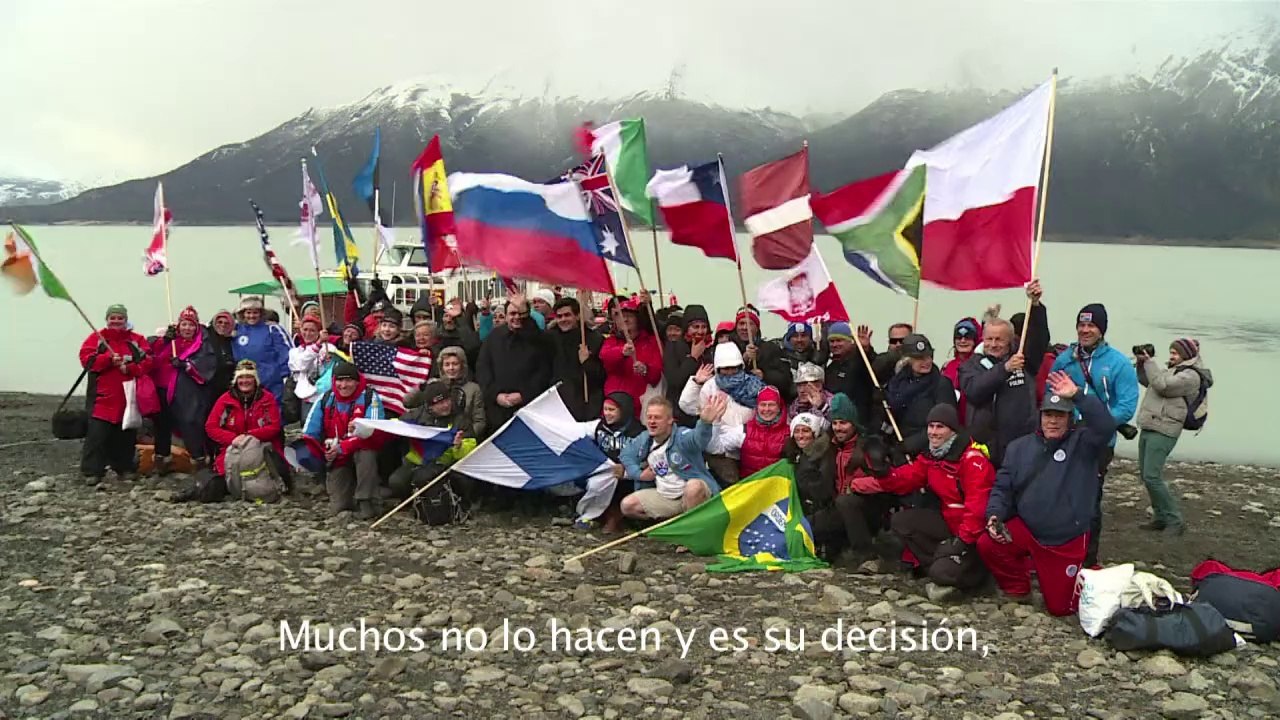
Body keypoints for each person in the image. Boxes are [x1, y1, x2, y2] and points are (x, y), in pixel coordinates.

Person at [979, 372, 1117, 615]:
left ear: (1070, 419)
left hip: (1064, 539)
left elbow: (1105, 425)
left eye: (1060, 416)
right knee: (989, 543)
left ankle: (1091, 579)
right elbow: (1003, 486)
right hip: (1028, 529)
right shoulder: (1019, 447)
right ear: (1040, 417)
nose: (1053, 421)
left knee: (1060, 608)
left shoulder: (1084, 443)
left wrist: (1077, 395)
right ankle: (1018, 589)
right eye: (1048, 415)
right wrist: (994, 515)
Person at [854, 404, 995, 592]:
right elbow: (906, 479)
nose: (933, 432)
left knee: (943, 573)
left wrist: (961, 541)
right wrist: (883, 472)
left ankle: (976, 576)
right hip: (950, 524)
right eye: (931, 426)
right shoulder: (933, 457)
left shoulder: (972, 460)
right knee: (901, 522)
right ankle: (942, 564)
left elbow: (978, 508)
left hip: (975, 535)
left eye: (940, 427)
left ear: (952, 430)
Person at [1049, 303, 1139, 565]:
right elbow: (1051, 393)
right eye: (1081, 325)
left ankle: (1088, 559)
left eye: (1091, 326)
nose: (1085, 330)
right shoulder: (1066, 358)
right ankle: (1058, 548)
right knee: (1059, 492)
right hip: (1066, 436)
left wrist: (1099, 422)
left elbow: (1126, 406)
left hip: (1098, 441)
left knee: (1089, 497)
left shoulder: (1118, 363)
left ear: (1101, 329)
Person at [1135, 338, 1211, 536]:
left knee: (1152, 476)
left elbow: (1163, 387)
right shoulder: (1171, 370)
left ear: (1186, 355)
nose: (1171, 356)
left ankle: (1175, 519)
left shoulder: (1191, 376)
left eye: (1175, 353)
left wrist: (1150, 362)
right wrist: (1141, 364)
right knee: (1145, 475)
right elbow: (1149, 381)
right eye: (1171, 352)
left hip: (1165, 429)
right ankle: (1160, 517)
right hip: (1151, 424)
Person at [813, 393, 898, 565]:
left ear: (854, 423)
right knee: (808, 525)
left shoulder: (869, 446)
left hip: (869, 509)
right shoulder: (830, 446)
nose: (838, 428)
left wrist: (856, 485)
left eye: (843, 423)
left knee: (846, 502)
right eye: (835, 423)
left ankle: (866, 555)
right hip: (839, 507)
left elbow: (889, 481)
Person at [78, 304, 153, 484]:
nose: (116, 321)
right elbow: (86, 359)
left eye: (120, 318)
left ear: (126, 320)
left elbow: (148, 362)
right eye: (113, 318)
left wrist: (129, 367)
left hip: (128, 398)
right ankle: (92, 472)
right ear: (107, 319)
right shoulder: (97, 339)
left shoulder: (137, 340)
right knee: (96, 436)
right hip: (101, 398)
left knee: (125, 436)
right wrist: (108, 359)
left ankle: (124, 468)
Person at [302, 361, 386, 518]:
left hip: (362, 449)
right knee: (339, 508)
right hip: (337, 456)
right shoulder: (326, 398)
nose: (343, 385)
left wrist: (342, 446)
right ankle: (348, 493)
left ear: (356, 381)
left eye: (348, 380)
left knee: (365, 453)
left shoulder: (370, 398)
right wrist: (321, 452)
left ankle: (366, 499)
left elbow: (373, 432)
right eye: (339, 380)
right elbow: (309, 433)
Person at [619, 396, 722, 519]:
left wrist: (705, 423)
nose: (652, 421)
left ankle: (691, 528)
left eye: (657, 417)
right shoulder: (644, 438)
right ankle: (672, 524)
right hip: (666, 497)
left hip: (692, 495)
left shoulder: (682, 436)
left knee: (694, 487)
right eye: (649, 417)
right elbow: (626, 455)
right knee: (627, 505)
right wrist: (638, 474)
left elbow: (698, 440)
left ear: (670, 420)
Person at [958, 318, 1038, 467]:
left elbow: (1038, 337)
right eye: (989, 339)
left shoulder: (1023, 359)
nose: (993, 344)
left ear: (1009, 340)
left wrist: (1036, 306)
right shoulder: (970, 365)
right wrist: (1004, 369)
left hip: (1019, 443)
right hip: (986, 447)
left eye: (999, 340)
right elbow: (974, 391)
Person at [149, 306, 218, 472]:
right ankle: (162, 459)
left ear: (196, 326)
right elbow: (152, 360)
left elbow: (206, 367)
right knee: (161, 425)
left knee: (190, 424)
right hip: (163, 389)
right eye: (184, 325)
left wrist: (186, 365)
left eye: (191, 325)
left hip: (187, 393)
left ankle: (199, 460)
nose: (187, 328)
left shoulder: (201, 345)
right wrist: (164, 341)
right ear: (178, 326)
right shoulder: (170, 341)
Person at [475, 294, 552, 432]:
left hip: (529, 410)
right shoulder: (494, 337)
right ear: (505, 316)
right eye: (512, 313)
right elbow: (483, 370)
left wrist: (524, 395)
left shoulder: (537, 340)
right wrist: (495, 395)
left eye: (520, 314)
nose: (516, 317)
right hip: (497, 411)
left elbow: (543, 372)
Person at [387, 380, 475, 501]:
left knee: (422, 478)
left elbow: (471, 448)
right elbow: (396, 424)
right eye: (439, 403)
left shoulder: (460, 419)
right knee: (396, 482)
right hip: (416, 462)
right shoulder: (418, 414)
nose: (445, 405)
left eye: (447, 400)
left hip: (444, 465)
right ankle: (412, 501)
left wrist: (459, 446)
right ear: (430, 406)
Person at [573, 392, 646, 532]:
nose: (607, 414)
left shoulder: (638, 433)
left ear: (624, 410)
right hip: (603, 471)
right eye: (605, 409)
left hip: (626, 476)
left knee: (606, 483)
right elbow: (574, 430)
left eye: (612, 410)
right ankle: (588, 514)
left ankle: (612, 517)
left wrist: (626, 469)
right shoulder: (599, 425)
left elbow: (644, 459)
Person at [875, 334, 957, 456]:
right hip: (897, 447)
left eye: (929, 357)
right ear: (908, 360)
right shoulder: (897, 382)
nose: (926, 362)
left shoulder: (941, 384)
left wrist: (911, 444)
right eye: (919, 358)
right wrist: (882, 402)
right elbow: (891, 418)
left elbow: (946, 424)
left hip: (925, 451)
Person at [204, 360, 283, 481]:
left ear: (255, 380)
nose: (245, 381)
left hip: (262, 446)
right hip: (233, 447)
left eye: (249, 377)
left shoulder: (267, 398)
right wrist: (232, 438)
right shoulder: (225, 400)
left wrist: (248, 437)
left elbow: (274, 427)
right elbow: (211, 427)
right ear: (236, 380)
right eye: (241, 377)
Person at [705, 386, 791, 480]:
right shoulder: (744, 430)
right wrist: (716, 422)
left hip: (778, 487)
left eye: (771, 405)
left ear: (779, 407)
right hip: (749, 486)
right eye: (763, 405)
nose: (766, 409)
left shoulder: (790, 433)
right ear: (757, 407)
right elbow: (716, 448)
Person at [599, 298, 663, 416]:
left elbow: (657, 374)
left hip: (640, 408)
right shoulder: (611, 341)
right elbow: (605, 358)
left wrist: (645, 370)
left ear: (638, 320)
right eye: (620, 316)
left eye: (629, 316)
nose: (625, 319)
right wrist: (621, 352)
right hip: (614, 406)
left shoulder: (651, 342)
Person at [547, 296, 605, 421]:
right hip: (557, 403)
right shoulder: (551, 338)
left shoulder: (594, 339)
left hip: (585, 402)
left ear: (578, 316)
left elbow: (601, 375)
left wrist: (587, 362)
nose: (563, 319)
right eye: (559, 316)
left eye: (567, 315)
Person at [788, 413, 836, 557]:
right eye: (797, 431)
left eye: (805, 431)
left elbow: (823, 489)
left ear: (815, 433)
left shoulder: (824, 454)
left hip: (820, 510)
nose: (801, 436)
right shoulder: (794, 454)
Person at [411, 345, 485, 439]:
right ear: (441, 367)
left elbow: (479, 422)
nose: (451, 368)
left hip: (463, 441)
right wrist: (420, 387)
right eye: (447, 364)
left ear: (462, 365)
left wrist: (464, 437)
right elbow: (408, 403)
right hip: (435, 438)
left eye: (455, 364)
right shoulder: (434, 384)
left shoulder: (473, 388)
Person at [232, 296, 291, 411]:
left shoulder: (272, 329)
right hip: (246, 386)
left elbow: (287, 353)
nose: (252, 316)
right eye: (248, 312)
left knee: (273, 416)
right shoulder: (236, 330)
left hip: (272, 385)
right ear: (243, 314)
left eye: (255, 312)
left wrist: (286, 376)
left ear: (261, 313)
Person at [663, 304, 711, 428]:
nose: (700, 331)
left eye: (704, 327)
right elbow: (674, 380)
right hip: (678, 414)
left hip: (702, 412)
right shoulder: (673, 347)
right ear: (687, 328)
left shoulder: (709, 350)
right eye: (695, 327)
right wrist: (693, 358)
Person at [823, 322, 876, 429]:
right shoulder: (831, 367)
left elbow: (872, 368)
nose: (835, 344)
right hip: (837, 423)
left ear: (851, 341)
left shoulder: (859, 360)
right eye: (832, 341)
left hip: (859, 423)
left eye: (839, 340)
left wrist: (866, 350)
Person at [730, 306, 792, 397]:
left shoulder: (771, 348)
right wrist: (743, 360)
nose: (744, 327)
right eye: (741, 323)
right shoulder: (729, 349)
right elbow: (724, 378)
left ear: (757, 327)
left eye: (750, 324)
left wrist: (765, 376)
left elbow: (786, 380)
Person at [942, 318, 981, 421]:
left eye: (968, 337)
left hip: (972, 421)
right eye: (959, 337)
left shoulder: (980, 365)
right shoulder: (948, 366)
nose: (963, 341)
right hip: (951, 421)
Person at [206, 310, 237, 397]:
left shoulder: (233, 340)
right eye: (220, 322)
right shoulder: (206, 336)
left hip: (227, 387)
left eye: (226, 323)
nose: (222, 325)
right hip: (209, 385)